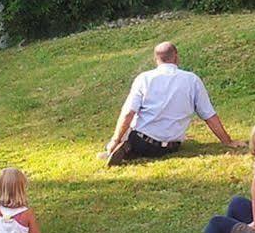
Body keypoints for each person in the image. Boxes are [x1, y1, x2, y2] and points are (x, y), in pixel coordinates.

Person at [100, 41, 238, 165]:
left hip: (142, 141)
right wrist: (227, 141)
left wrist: (115, 139)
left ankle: (119, 147)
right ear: (176, 57)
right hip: (172, 146)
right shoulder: (192, 80)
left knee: (129, 130)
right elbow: (209, 115)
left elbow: (128, 113)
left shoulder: (144, 79)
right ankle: (126, 148)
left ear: (156, 59)